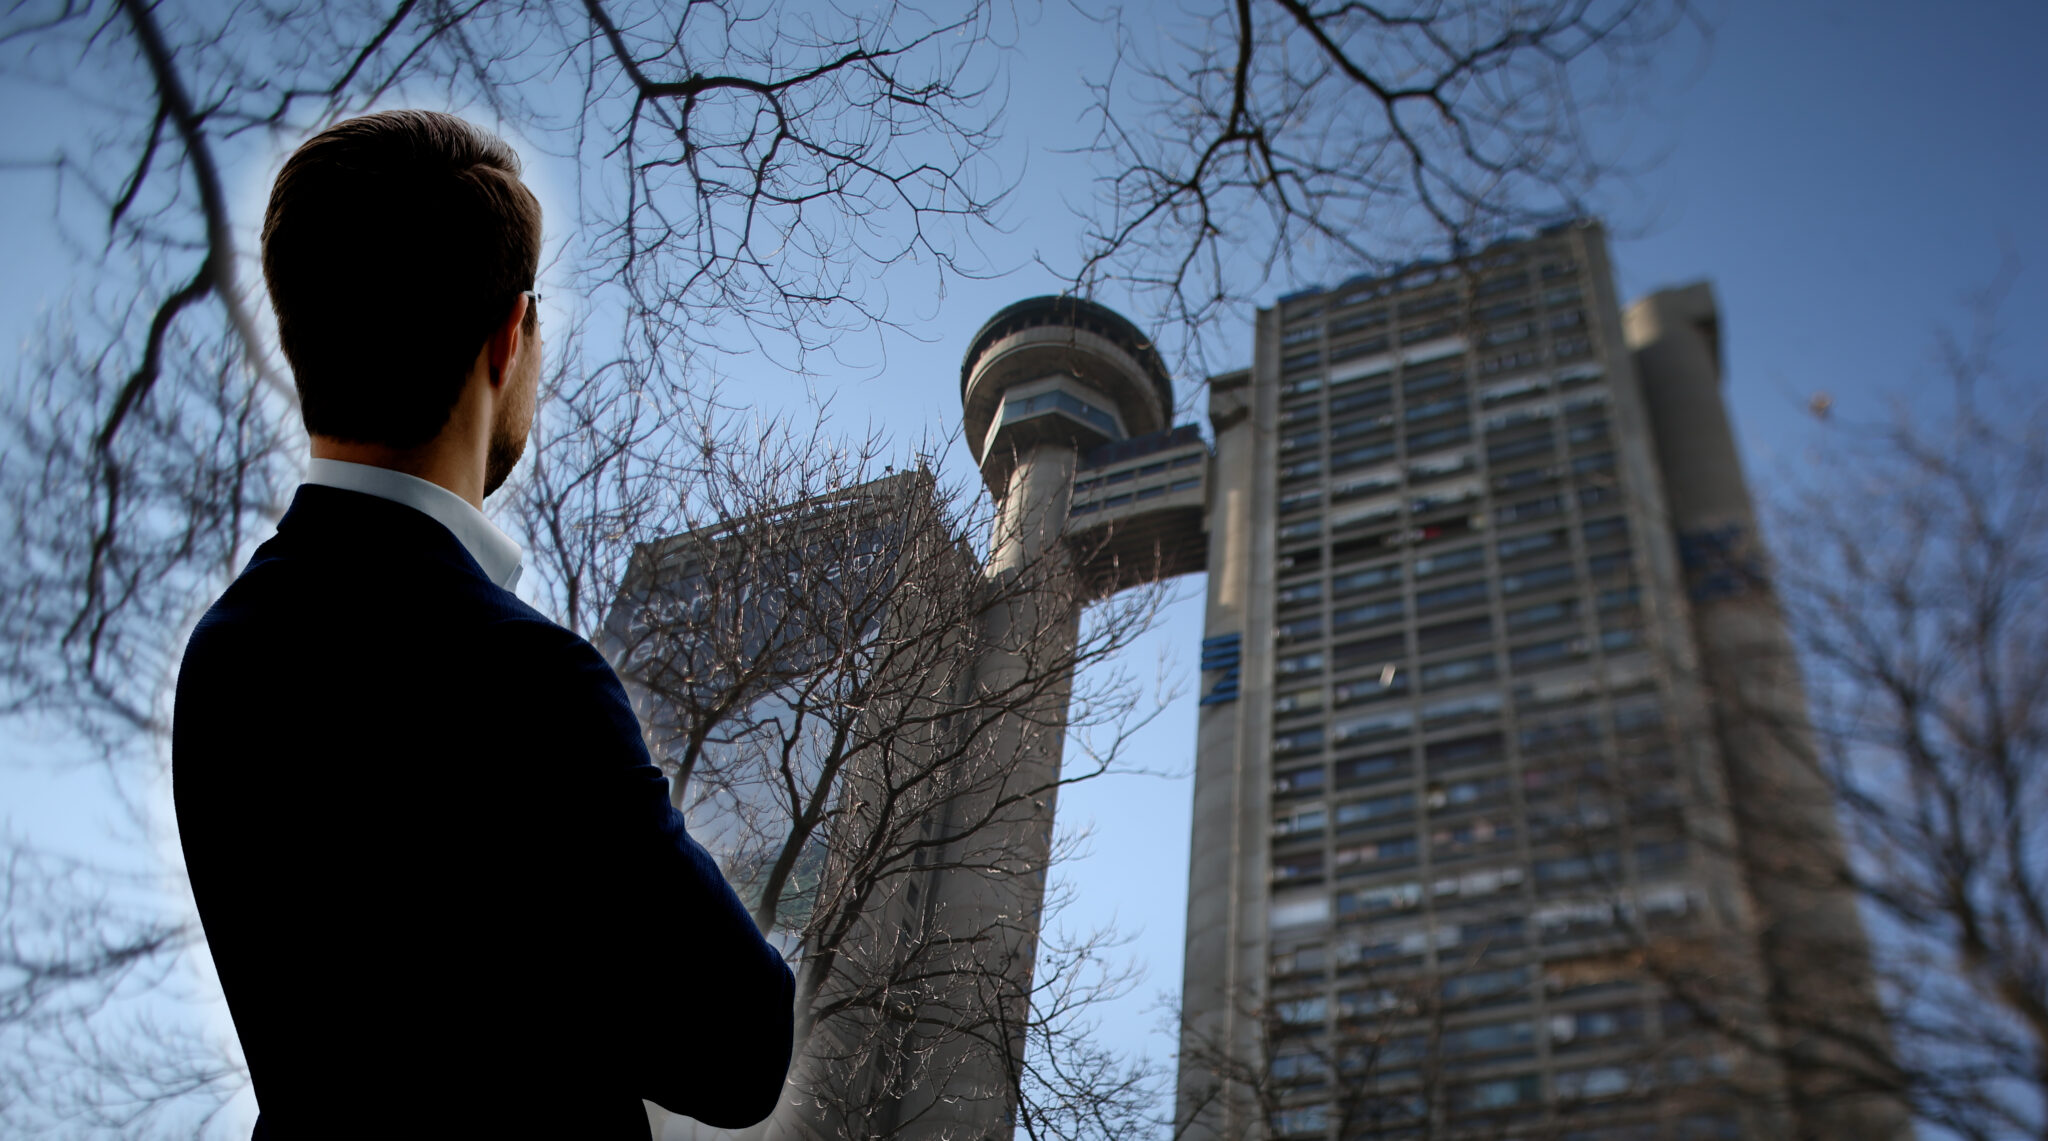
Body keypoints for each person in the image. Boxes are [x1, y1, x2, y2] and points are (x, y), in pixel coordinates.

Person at [172, 110, 794, 1140]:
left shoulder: (228, 650)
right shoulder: (526, 679)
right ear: (510, 336)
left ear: (303, 339)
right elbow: (739, 1048)